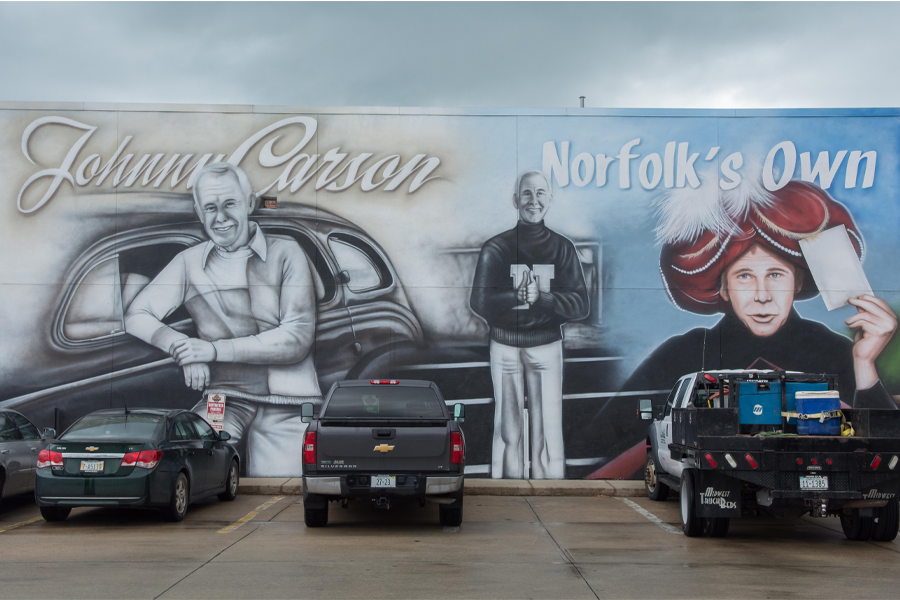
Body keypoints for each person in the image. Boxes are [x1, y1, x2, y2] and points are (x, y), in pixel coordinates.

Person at [588, 180, 897, 479]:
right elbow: (601, 437)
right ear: (723, 287)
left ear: (798, 281)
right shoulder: (686, 351)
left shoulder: (834, 350)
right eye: (745, 276)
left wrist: (864, 364)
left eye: (775, 274)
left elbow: (880, 451)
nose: (762, 294)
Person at [124, 162, 321, 477]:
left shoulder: (287, 253)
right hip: (223, 398)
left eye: (230, 203)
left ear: (250, 203)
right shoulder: (188, 263)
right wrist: (183, 346)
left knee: (279, 486)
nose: (221, 217)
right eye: (210, 208)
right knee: (195, 465)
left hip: (288, 400)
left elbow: (296, 338)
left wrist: (212, 351)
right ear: (199, 212)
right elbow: (136, 315)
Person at [470, 170, 589, 479]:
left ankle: (552, 492)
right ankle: (505, 489)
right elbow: (479, 301)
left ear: (549, 200)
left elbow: (580, 304)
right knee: (508, 428)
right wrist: (516, 296)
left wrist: (544, 299)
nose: (533, 200)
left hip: (547, 345)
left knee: (548, 429)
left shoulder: (563, 248)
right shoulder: (495, 248)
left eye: (539, 193)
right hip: (505, 346)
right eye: (526, 193)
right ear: (515, 200)